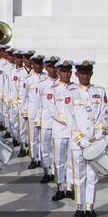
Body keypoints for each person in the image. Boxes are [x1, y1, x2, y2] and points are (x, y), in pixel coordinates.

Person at [65, 60, 108, 217]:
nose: (85, 76)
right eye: (82, 73)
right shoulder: (71, 92)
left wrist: (98, 136)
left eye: (88, 73)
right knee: (79, 176)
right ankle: (79, 208)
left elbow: (103, 116)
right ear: (76, 74)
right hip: (78, 143)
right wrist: (81, 139)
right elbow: (69, 119)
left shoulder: (100, 91)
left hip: (95, 142)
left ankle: (90, 207)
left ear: (91, 73)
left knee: (92, 176)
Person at [50, 60, 76, 202]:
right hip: (60, 130)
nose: (66, 74)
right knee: (59, 160)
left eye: (68, 71)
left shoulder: (76, 89)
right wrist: (68, 120)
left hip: (73, 132)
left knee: (71, 160)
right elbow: (52, 110)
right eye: (63, 71)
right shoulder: (53, 89)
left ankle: (70, 187)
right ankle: (60, 187)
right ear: (58, 72)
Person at [37, 55, 61, 183]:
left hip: (58, 123)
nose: (53, 69)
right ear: (46, 67)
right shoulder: (42, 84)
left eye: (55, 67)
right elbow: (38, 103)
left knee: (56, 148)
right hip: (46, 121)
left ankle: (55, 172)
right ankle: (46, 171)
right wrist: (38, 120)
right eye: (50, 67)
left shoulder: (61, 84)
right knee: (45, 148)